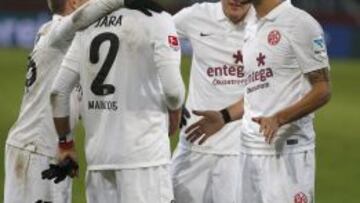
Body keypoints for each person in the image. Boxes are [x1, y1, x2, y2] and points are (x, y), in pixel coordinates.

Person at [185, 0, 332, 203]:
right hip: (249, 150)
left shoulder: (299, 23)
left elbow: (323, 89)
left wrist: (280, 118)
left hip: (286, 152)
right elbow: (256, 93)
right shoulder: (253, 27)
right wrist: (223, 116)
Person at [49, 6, 185, 203]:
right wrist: (176, 109)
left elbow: (58, 91)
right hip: (144, 159)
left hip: (99, 161)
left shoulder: (89, 23)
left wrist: (65, 143)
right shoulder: (158, 19)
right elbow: (173, 91)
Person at [170, 1, 256, 202]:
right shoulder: (196, 16)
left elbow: (268, 91)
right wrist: (167, 96)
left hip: (239, 151)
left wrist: (225, 116)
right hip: (194, 142)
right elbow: (155, 37)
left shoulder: (263, 24)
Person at [3, 0, 87, 202]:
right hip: (35, 150)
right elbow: (84, 17)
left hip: (50, 151)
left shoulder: (52, 33)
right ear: (74, 3)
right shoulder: (58, 32)